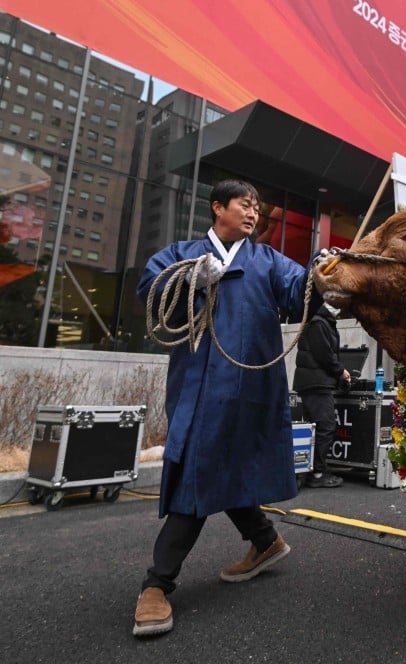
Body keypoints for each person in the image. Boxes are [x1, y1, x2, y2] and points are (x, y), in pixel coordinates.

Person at [133, 179, 320, 637]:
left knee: (228, 469)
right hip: (201, 388)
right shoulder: (182, 253)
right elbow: (149, 291)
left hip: (254, 388)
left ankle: (264, 542)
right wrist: (191, 277)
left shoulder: (269, 261)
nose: (254, 213)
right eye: (245, 204)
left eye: (258, 207)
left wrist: (323, 269)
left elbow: (302, 293)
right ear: (218, 207)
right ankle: (158, 584)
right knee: (199, 471)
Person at [293, 303, 350, 488]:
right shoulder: (319, 322)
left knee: (316, 427)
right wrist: (340, 371)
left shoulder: (318, 320)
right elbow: (324, 354)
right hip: (316, 382)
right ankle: (317, 473)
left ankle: (310, 470)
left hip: (312, 381)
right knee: (326, 425)